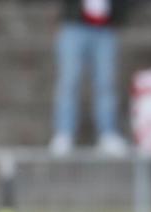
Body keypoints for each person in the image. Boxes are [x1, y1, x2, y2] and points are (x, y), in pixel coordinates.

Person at [49, 0, 129, 157]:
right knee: (69, 82)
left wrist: (118, 15)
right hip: (74, 25)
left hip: (105, 28)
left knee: (106, 83)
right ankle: (64, 133)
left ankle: (108, 133)